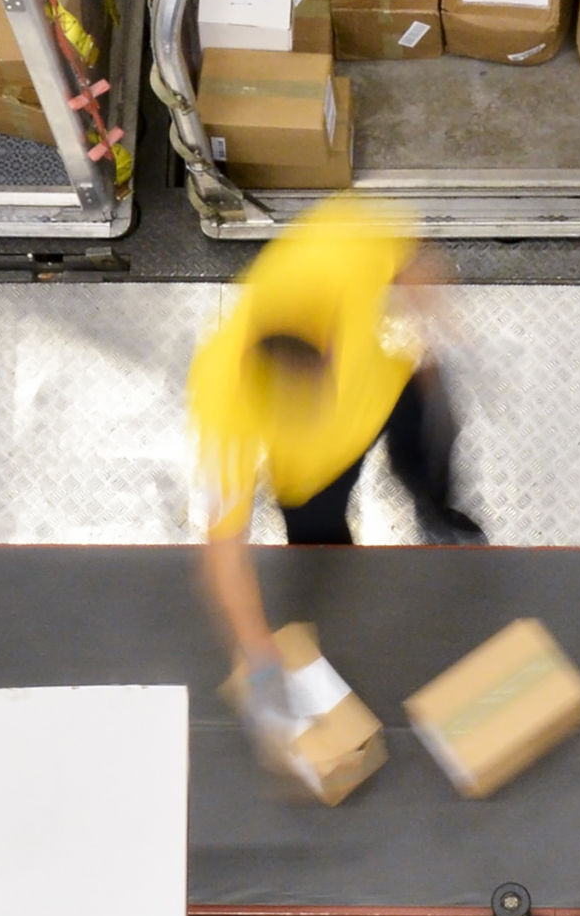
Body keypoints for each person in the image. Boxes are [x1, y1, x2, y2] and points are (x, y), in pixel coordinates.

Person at [190, 197, 479, 729]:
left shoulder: (333, 245)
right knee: (321, 540)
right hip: (311, 474)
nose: (317, 392)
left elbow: (408, 255)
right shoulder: (220, 394)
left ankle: (439, 513)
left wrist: (436, 327)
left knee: (429, 460)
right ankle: (340, 596)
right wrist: (258, 660)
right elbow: (222, 548)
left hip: (386, 394)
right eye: (300, 390)